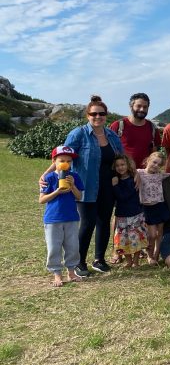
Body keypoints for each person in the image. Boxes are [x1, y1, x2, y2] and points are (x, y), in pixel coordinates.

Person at [52, 95, 124, 276]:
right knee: (87, 223)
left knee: (104, 222)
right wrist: (48, 174)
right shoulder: (78, 134)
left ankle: (99, 259)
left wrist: (130, 174)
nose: (98, 117)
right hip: (86, 186)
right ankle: (79, 262)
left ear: (106, 115)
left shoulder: (112, 136)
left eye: (101, 113)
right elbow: (63, 157)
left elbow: (120, 159)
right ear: (88, 115)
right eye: (94, 114)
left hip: (108, 186)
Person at [39, 145, 85, 287]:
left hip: (71, 218)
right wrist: (57, 191)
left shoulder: (74, 177)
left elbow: (79, 197)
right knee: (54, 247)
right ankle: (57, 274)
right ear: (54, 161)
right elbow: (41, 200)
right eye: (61, 160)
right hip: (53, 219)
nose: (65, 163)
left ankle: (71, 272)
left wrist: (72, 186)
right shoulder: (48, 178)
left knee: (72, 246)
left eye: (69, 161)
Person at [111, 154, 148, 268]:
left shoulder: (133, 180)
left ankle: (136, 262)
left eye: (122, 164)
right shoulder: (116, 179)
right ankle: (129, 262)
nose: (120, 167)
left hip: (135, 214)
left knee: (135, 239)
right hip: (121, 215)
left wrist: (115, 186)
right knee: (123, 240)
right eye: (117, 165)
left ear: (128, 165)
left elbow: (123, 196)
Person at [109, 92, 162, 168]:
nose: (142, 109)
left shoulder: (152, 128)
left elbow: (155, 152)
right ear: (131, 106)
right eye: (139, 106)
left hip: (145, 175)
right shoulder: (118, 126)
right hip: (123, 174)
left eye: (145, 107)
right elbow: (110, 151)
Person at [137, 151, 170, 266]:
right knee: (152, 234)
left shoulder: (160, 175)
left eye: (159, 164)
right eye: (154, 162)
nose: (156, 165)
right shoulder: (139, 173)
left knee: (160, 232)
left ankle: (156, 254)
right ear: (148, 160)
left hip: (160, 206)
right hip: (147, 208)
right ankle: (149, 255)